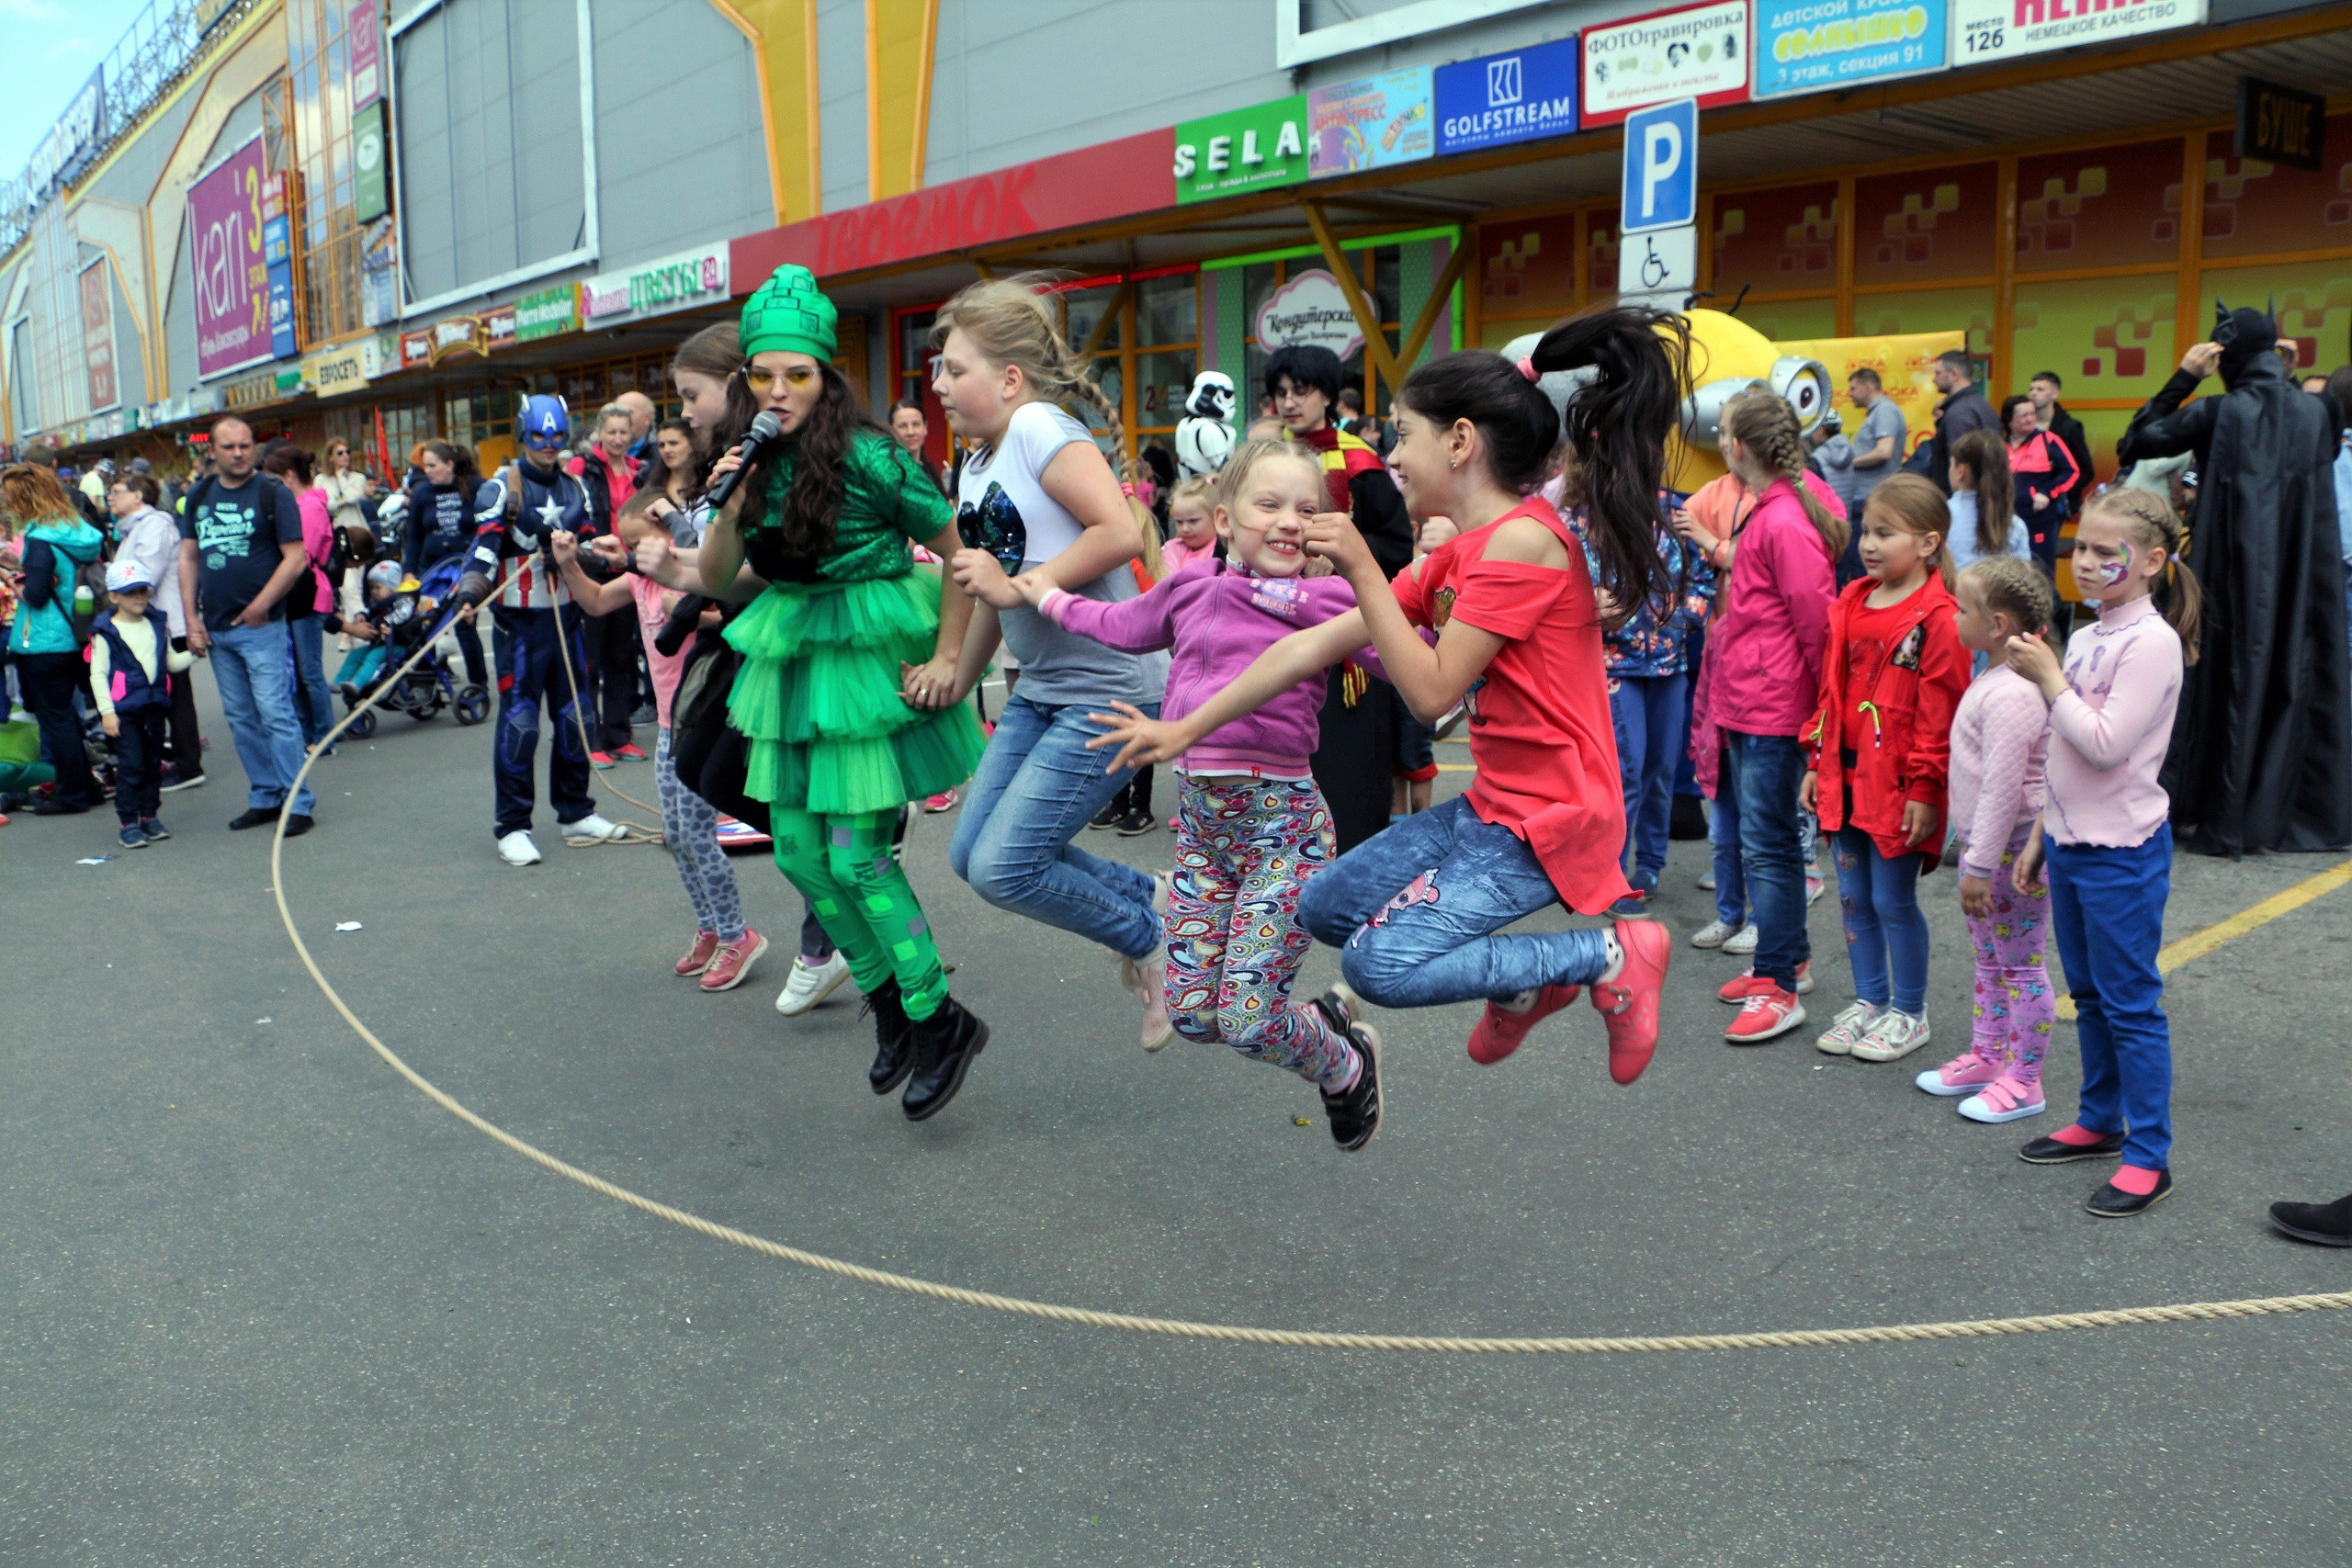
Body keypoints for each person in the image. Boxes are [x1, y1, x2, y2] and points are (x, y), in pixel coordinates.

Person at [1090, 309, 1682, 1089]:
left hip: (1554, 820)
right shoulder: (1465, 548)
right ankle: (1521, 984)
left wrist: (1365, 566)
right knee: (1326, 903)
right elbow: (1311, 644)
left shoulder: (1523, 543)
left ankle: (1609, 954)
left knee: (1379, 965)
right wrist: (1183, 727)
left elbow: (1433, 690)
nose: (1395, 456)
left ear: (1461, 441)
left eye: (1404, 435)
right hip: (1496, 807)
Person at [1017, 435, 1383, 1132]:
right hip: (1204, 837)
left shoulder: (1327, 598)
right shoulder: (1190, 585)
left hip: (1286, 830)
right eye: (1267, 504)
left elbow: (1414, 659)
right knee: (1191, 1016)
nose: (1286, 520)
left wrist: (1471, 637)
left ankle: (1344, 1061)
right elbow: (1120, 625)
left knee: (1247, 1022)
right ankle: (1322, 1017)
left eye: (1306, 509)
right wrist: (1051, 597)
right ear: (1224, 520)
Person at [697, 265, 989, 1120]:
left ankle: (940, 1016)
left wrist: (946, 659)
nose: (779, 390)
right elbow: (720, 579)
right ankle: (893, 1007)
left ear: (826, 376)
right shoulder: (750, 459)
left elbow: (959, 545)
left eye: (798, 373)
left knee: (860, 857)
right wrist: (728, 506)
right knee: (795, 854)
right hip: (792, 658)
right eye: (763, 374)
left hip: (863, 659)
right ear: (745, 380)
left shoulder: (867, 456)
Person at [930, 276, 1170, 1050]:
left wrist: (1021, 585)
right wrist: (954, 680)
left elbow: (1118, 532)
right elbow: (991, 595)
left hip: (1107, 686)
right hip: (1039, 691)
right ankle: (1156, 898)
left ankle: (1151, 937)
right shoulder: (974, 460)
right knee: (972, 855)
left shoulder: (1038, 426)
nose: (938, 384)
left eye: (952, 368)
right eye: (936, 369)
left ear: (1008, 378)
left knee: (1007, 867)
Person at [635, 321, 850, 1017]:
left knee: (729, 774)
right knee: (708, 769)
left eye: (691, 395)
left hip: (794, 643)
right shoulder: (729, 457)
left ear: (733, 385)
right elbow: (725, 558)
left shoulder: (789, 458)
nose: (686, 412)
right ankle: (844, 899)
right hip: (741, 638)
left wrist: (687, 565)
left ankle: (852, 913)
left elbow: (774, 567)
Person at [2007, 489, 2199, 1217]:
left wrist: (2049, 678)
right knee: (2086, 997)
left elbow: (2104, 742)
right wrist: (2038, 838)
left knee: (2131, 1006)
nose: (2084, 562)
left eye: (2102, 550)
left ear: (2152, 561)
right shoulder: (2088, 633)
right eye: (2080, 547)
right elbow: (2063, 752)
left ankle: (2150, 1154)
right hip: (2071, 846)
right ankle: (2100, 1119)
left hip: (2122, 852)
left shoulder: (2148, 642)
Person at [2120, 307, 2352, 857]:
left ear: (2225, 356)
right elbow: (2322, 446)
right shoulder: (2319, 410)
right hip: (2299, 580)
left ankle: (2209, 807)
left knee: (2218, 678)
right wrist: (2287, 375)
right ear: (2275, 352)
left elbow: (2137, 441)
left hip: (2227, 574)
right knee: (2289, 675)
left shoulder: (2216, 411)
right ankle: (2271, 810)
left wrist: (2184, 377)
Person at [548, 525, 769, 992]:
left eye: (643, 539)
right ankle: (709, 927)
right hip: (669, 728)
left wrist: (684, 603)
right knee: (674, 835)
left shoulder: (687, 577)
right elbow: (594, 601)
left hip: (700, 723)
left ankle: (737, 935)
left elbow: (728, 611)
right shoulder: (635, 581)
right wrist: (569, 562)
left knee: (697, 835)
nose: (635, 548)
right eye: (630, 540)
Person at [1688, 390, 1843, 1042]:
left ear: (1741, 446)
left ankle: (1780, 984)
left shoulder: (1780, 519)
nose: (1720, 442)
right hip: (1755, 698)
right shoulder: (1772, 509)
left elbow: (1816, 624)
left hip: (1774, 706)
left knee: (1771, 847)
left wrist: (1819, 717)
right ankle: (1787, 960)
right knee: (1768, 843)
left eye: (1724, 433)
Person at [1799, 474, 1968, 1062]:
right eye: (1866, 530)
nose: (1867, 543)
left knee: (1893, 902)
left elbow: (1939, 714)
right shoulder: (1851, 601)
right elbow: (1830, 694)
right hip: (1843, 783)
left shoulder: (1940, 619)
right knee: (1851, 898)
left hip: (1897, 788)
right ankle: (1870, 1001)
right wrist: (1816, 760)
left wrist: (1925, 787)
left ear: (1927, 543)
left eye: (1884, 533)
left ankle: (1909, 1011)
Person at [456, 395, 628, 865]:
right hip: (519, 627)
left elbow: (591, 538)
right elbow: (484, 550)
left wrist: (596, 550)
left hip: (569, 617)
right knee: (521, 723)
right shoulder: (501, 490)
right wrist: (470, 592)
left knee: (577, 718)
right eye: (538, 437)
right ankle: (512, 825)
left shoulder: (576, 486)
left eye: (556, 437)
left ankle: (575, 810)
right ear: (522, 433)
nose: (549, 446)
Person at [1916, 556, 2056, 1124]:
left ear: (1997, 625)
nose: (1952, 616)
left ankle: (2025, 1081)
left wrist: (1976, 866)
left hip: (2013, 852)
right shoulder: (1994, 678)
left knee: (2020, 966)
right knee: (1990, 961)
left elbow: (2003, 786)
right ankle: (1989, 1055)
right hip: (1990, 849)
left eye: (1963, 608)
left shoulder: (2013, 693)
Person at [1265, 344, 1417, 853]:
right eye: (1281, 393)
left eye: (1300, 391)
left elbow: (1396, 542)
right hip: (1275, 625)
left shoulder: (1359, 461)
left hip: (1347, 635)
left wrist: (1347, 555)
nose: (1289, 402)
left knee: (1349, 760)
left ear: (1328, 396)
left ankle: (1351, 862)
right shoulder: (1265, 462)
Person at [1566, 490, 1711, 919]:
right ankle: (1608, 875)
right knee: (1624, 775)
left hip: (1669, 666)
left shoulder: (1673, 512)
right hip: (1614, 668)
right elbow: (1558, 592)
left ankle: (1649, 865)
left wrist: (1683, 619)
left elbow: (1701, 578)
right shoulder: (1579, 520)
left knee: (1662, 770)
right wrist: (1587, 606)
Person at [175, 417, 316, 835]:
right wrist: (190, 617)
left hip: (261, 626)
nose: (238, 453)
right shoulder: (199, 493)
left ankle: (298, 802)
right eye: (229, 447)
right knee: (240, 718)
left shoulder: (273, 493)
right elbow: (188, 556)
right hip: (216, 629)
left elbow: (296, 558)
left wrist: (261, 605)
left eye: (245, 445)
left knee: (276, 714)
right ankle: (266, 795)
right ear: (213, 452)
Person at [3, 463, 104, 816]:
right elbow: (52, 574)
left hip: (45, 642)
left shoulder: (40, 538)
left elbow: (37, 596)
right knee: (69, 720)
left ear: (24, 500)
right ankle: (86, 788)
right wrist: (21, 565)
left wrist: (11, 578)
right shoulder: (72, 529)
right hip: (76, 635)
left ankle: (72, 794)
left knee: (56, 721)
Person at [107, 469, 205, 792]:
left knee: (176, 696)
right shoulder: (134, 529)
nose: (111, 496)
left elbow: (143, 577)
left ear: (139, 496)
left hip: (164, 624)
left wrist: (116, 592)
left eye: (117, 490)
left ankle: (189, 766)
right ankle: (175, 758)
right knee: (161, 694)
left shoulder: (154, 526)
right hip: (149, 624)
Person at [89, 558, 191, 850]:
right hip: (124, 713)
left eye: (142, 590)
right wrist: (107, 712)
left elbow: (171, 661)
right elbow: (98, 673)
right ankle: (128, 822)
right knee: (131, 766)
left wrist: (194, 652)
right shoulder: (106, 632)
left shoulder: (158, 624)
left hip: (155, 707)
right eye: (130, 592)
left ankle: (149, 815)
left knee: (152, 766)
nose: (139, 597)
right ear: (114, 597)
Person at [570, 401, 647, 765]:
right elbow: (570, 510)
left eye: (623, 432)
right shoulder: (582, 467)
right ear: (598, 432)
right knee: (591, 660)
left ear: (632, 434)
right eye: (611, 431)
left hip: (629, 566)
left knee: (622, 656)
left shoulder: (640, 470)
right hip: (594, 567)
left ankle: (619, 734)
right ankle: (592, 739)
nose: (617, 438)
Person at [259, 444, 339, 752]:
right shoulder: (299, 504)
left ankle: (323, 737)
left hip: (308, 593)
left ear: (289, 476)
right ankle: (308, 734)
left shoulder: (309, 507)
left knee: (309, 671)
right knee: (298, 670)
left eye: (273, 478)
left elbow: (302, 556)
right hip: (295, 594)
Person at [399, 442, 492, 687]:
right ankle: (427, 681)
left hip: (465, 568)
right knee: (423, 625)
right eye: (424, 466)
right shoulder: (422, 493)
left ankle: (478, 682)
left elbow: (490, 526)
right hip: (431, 569)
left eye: (432, 465)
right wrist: (408, 572)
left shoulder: (475, 487)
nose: (427, 470)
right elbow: (414, 536)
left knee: (464, 622)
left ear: (449, 465)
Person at [1818, 368, 1905, 580]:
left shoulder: (1885, 411)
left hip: (1872, 498)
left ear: (1869, 386)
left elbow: (1884, 451)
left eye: (1854, 388)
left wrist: (1849, 463)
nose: (1849, 394)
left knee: (1861, 563)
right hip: (1867, 498)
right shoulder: (1878, 412)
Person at [2000, 394, 2081, 583]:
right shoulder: (1998, 445)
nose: (2030, 419)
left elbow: (2072, 472)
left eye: (2032, 413)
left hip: (2038, 519)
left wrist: (2047, 492)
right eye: (2023, 415)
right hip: (2004, 518)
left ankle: (2052, 610)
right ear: (2009, 420)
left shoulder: (2048, 440)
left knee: (2040, 570)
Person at [1944, 431, 2030, 577]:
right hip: (1998, 598)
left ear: (1961, 471)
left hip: (1951, 598)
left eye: (1951, 464)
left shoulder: (1942, 514)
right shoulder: (2015, 525)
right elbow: (2024, 578)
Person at [1910, 349, 1998, 492]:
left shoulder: (1959, 413)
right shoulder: (1983, 405)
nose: (1933, 379)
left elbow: (1960, 465)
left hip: (1962, 499)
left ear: (1954, 374)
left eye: (1938, 373)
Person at [2026, 371, 2094, 516]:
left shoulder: (2069, 427)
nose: (2033, 393)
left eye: (2040, 389)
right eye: (2031, 389)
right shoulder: (2025, 427)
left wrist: (2060, 493)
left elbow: (2086, 471)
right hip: (2026, 500)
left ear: (2055, 393)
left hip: (2055, 503)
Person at [1159, 475, 1216, 575]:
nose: (1185, 528)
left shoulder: (1225, 549)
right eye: (1179, 522)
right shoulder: (1172, 549)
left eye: (1193, 521)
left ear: (1216, 517)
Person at [615, 388, 657, 461]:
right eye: (616, 413)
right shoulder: (601, 450)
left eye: (627, 413)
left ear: (647, 418)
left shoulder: (662, 452)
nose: (620, 418)